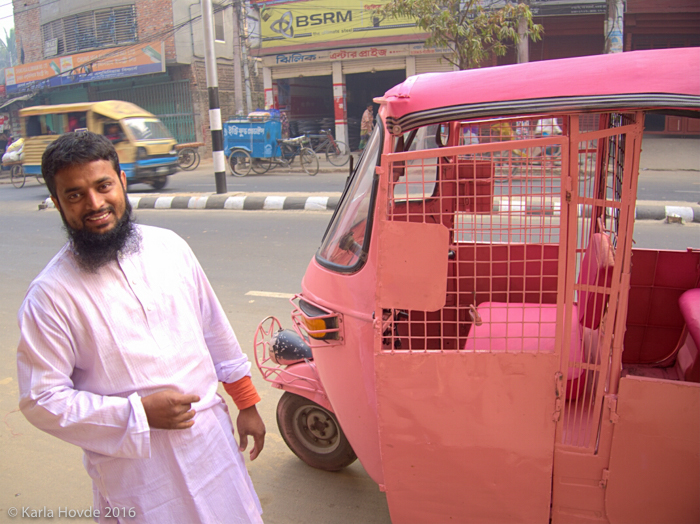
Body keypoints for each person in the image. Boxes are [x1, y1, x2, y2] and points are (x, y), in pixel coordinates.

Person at [16, 132, 265, 523]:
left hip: (211, 445)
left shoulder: (170, 248)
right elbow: (40, 400)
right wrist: (137, 415)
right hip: (138, 472)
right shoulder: (50, 296)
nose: (95, 204)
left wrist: (247, 404)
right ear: (59, 203)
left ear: (122, 182)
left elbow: (214, 329)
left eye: (103, 186)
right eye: (75, 195)